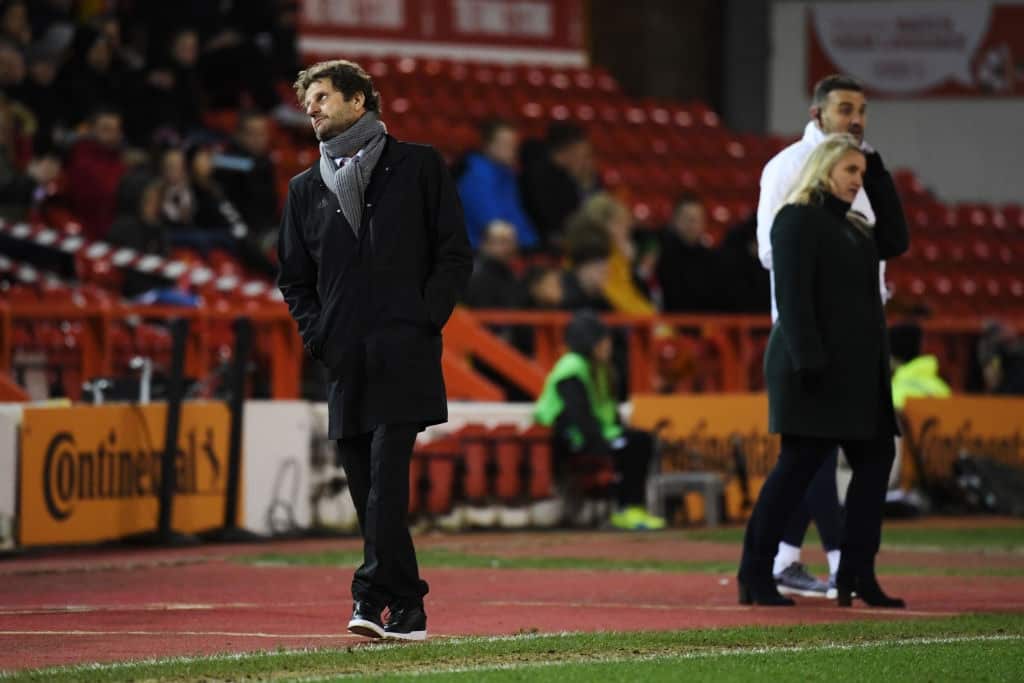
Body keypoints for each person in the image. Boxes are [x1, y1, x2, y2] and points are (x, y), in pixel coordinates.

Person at [277, 59, 472, 641]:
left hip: (403, 351)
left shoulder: (419, 165)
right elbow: (294, 279)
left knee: (387, 479)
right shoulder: (304, 189)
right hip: (344, 360)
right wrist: (318, 335)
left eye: (322, 97)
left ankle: (367, 595)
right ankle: (407, 607)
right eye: (307, 100)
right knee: (367, 492)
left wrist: (423, 318)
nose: (311, 108)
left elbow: (454, 254)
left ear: (359, 101)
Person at [737, 133, 909, 607]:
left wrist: (877, 171)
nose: (858, 181)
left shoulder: (855, 226)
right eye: (850, 171)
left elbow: (897, 238)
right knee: (796, 470)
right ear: (825, 169)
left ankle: (856, 575)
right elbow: (792, 300)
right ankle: (754, 574)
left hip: (856, 372)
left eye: (861, 173)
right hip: (810, 367)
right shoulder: (796, 220)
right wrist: (809, 361)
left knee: (875, 461)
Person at [755, 75, 887, 598]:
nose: (855, 118)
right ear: (818, 114)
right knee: (813, 454)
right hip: (811, 332)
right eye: (845, 108)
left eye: (862, 109)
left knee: (822, 454)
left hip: (858, 335)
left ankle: (786, 558)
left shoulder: (858, 171)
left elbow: (882, 246)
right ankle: (837, 562)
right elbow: (772, 251)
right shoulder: (788, 169)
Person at [533, 310, 666, 530]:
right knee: (633, 446)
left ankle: (633, 508)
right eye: (604, 341)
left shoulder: (600, 368)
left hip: (595, 434)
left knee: (639, 439)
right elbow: (577, 417)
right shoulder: (572, 368)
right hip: (569, 440)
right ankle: (627, 509)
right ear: (589, 342)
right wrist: (602, 443)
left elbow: (606, 412)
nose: (608, 346)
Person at [456, 118, 538, 249]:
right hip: (477, 254)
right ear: (488, 145)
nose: (513, 149)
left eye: (514, 143)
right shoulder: (477, 177)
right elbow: (494, 227)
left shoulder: (507, 174)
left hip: (511, 248)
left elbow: (516, 216)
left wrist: (533, 243)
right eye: (506, 144)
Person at [566, 193, 655, 314]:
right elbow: (614, 297)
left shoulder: (619, 253)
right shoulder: (590, 253)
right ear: (604, 225)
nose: (627, 230)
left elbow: (629, 293)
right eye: (621, 224)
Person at [520, 122, 597, 247]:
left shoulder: (569, 176)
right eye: (583, 155)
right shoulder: (538, 176)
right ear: (568, 151)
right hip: (542, 244)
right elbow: (553, 220)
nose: (585, 161)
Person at [63, 107, 126, 240]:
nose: (112, 134)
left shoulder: (119, 160)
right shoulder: (81, 160)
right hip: (90, 238)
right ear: (92, 130)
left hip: (115, 236)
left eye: (116, 129)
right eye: (106, 129)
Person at [657, 193, 726, 312]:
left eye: (696, 219)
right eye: (687, 218)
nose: (692, 224)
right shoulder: (660, 254)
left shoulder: (713, 260)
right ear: (675, 220)